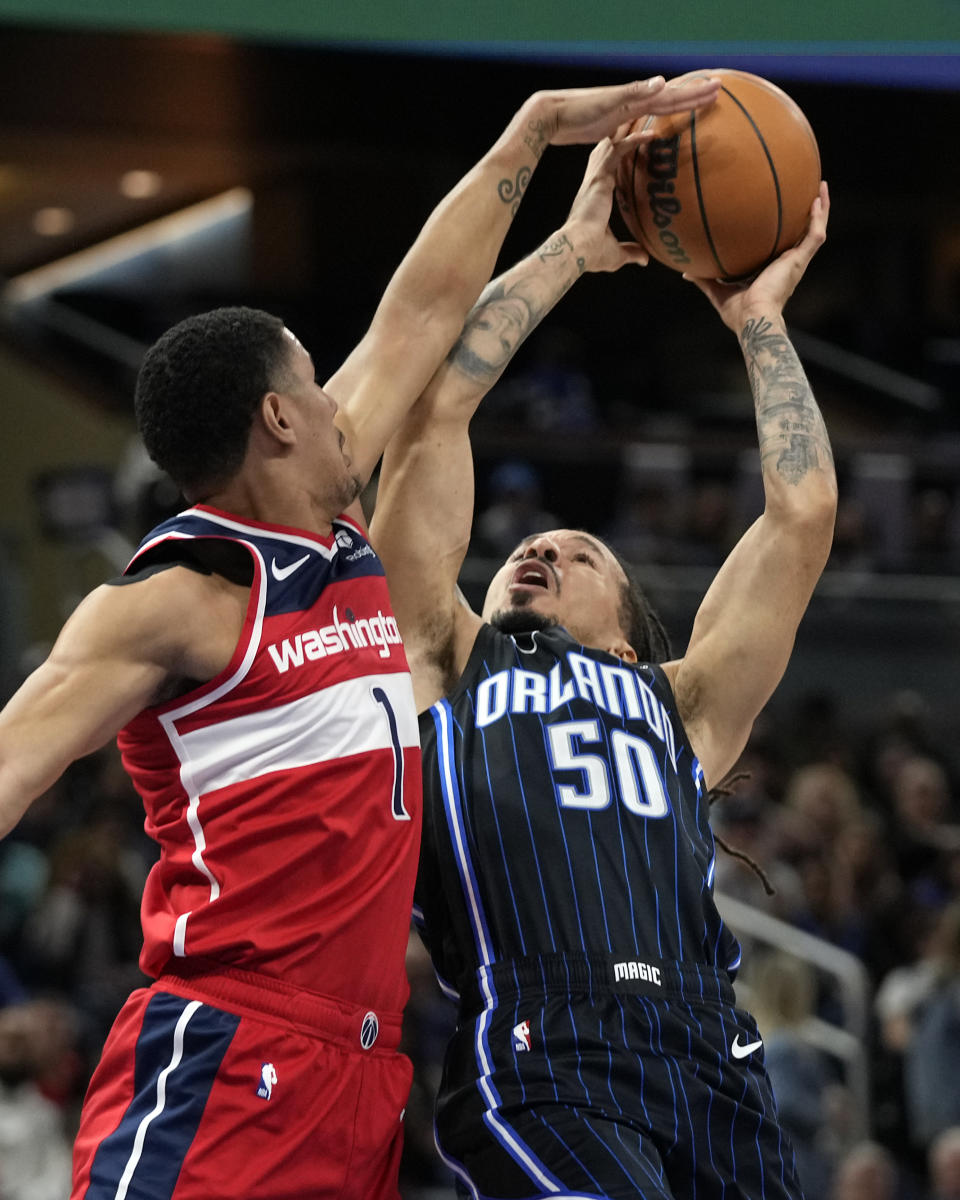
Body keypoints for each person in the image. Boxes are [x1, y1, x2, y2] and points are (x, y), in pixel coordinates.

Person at [0, 75, 722, 1200]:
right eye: (316, 387)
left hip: (363, 1073)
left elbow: (423, 315)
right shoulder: (179, 597)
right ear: (280, 418)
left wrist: (540, 161)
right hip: (227, 1052)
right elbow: (12, 763)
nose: (349, 407)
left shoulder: (331, 528)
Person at [371, 121, 835, 1196]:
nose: (542, 548)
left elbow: (802, 511)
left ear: (626, 627)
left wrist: (759, 321)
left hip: (712, 1053)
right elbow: (439, 411)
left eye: (581, 553)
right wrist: (574, 248)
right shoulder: (445, 657)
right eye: (531, 547)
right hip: (545, 1051)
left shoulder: (684, 703)